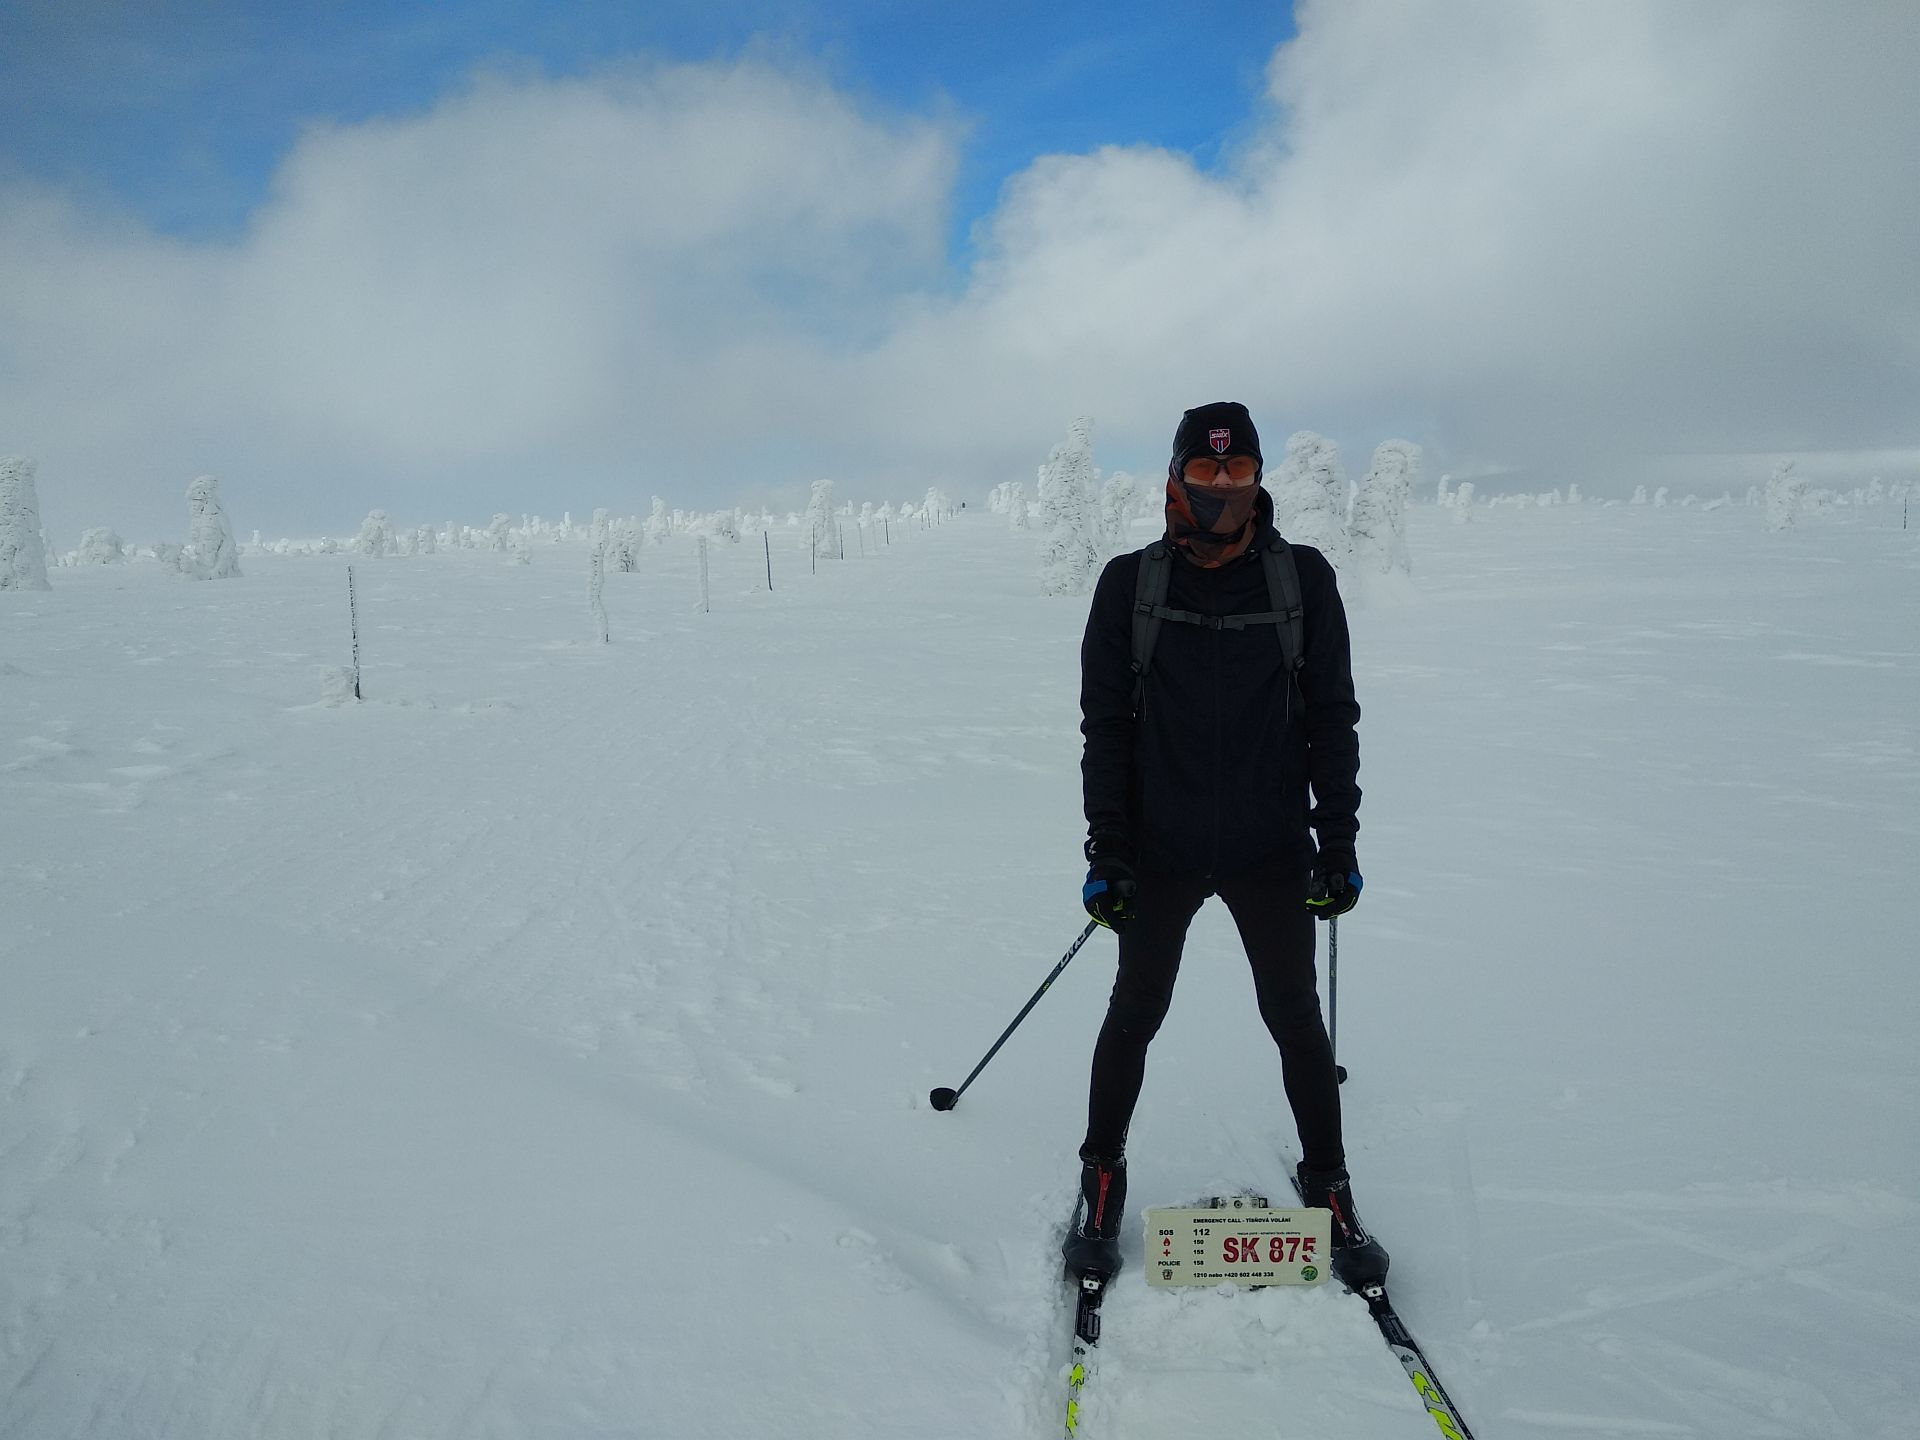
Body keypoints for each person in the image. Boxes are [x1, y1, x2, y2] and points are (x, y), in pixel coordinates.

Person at [1062, 400, 1387, 1287]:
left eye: (1237, 470)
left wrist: (1337, 841)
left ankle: (1329, 1186)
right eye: (1205, 471)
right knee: (1136, 1010)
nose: (1222, 487)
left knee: (1295, 1017)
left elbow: (1332, 719)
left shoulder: (1301, 580)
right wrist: (1108, 851)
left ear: (1258, 478)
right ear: (1176, 478)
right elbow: (1106, 728)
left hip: (1269, 844)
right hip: (1159, 846)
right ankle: (1100, 1176)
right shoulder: (1128, 585)